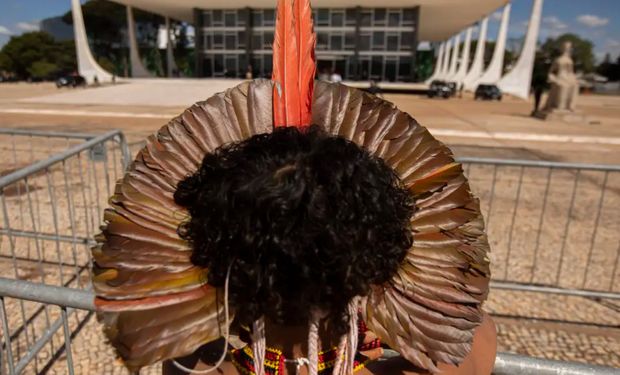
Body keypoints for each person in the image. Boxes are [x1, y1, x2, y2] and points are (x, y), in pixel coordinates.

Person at [92, 1, 494, 374]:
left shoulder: (195, 368)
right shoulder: (444, 364)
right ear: (372, 258)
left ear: (219, 257)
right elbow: (475, 329)